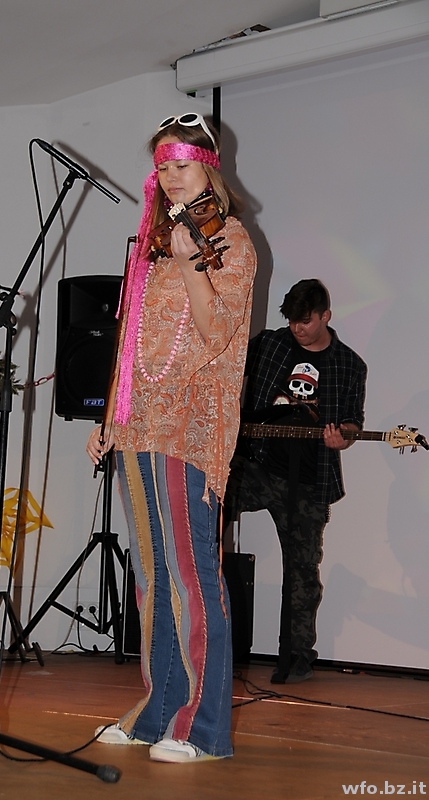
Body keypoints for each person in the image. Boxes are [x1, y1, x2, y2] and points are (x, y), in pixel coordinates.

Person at [87, 113, 256, 762]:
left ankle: (203, 728)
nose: (169, 176)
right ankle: (155, 714)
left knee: (191, 575)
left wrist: (190, 264)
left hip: (189, 424)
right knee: (152, 576)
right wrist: (110, 416)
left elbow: (217, 333)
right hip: (138, 422)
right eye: (161, 166)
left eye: (180, 164)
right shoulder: (152, 244)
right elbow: (131, 338)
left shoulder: (231, 240)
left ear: (208, 167)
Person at [224, 279, 367, 684]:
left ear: (325, 316)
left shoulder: (349, 364)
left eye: (305, 321)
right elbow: (228, 375)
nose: (297, 329)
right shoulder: (269, 344)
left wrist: (344, 436)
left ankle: (297, 657)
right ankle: (201, 634)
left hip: (308, 481)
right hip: (254, 464)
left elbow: (353, 422)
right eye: (291, 321)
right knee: (203, 517)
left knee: (302, 570)